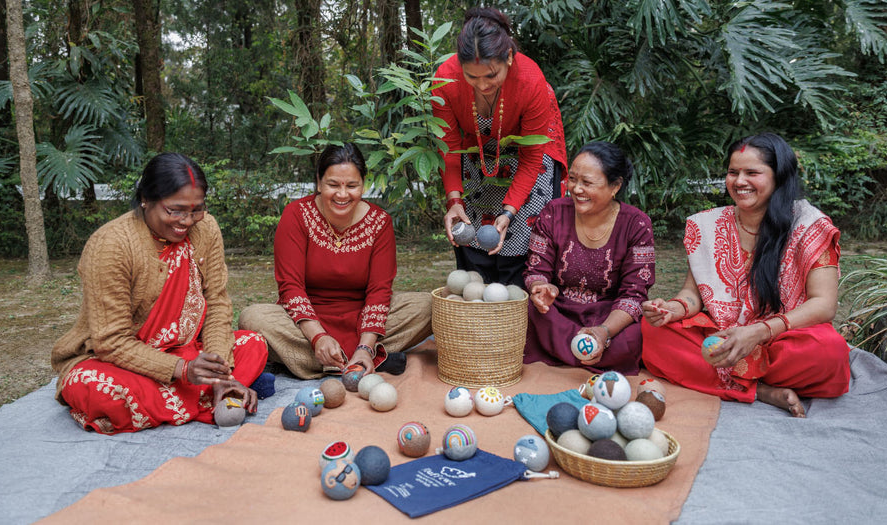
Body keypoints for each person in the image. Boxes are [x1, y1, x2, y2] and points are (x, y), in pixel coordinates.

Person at [51, 153, 270, 434]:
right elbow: (111, 342)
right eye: (175, 210)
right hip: (120, 361)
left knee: (253, 343)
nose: (187, 221)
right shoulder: (111, 245)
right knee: (99, 388)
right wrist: (182, 370)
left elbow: (216, 303)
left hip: (188, 350)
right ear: (146, 199)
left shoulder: (207, 228)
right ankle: (209, 396)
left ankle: (213, 390)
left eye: (196, 210)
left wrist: (218, 373)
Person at [641, 133, 851, 418]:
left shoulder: (810, 225)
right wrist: (671, 310)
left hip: (781, 337)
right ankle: (761, 390)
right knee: (651, 331)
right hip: (723, 337)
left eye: (752, 173)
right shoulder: (708, 225)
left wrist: (759, 331)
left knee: (829, 350)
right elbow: (693, 295)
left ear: (779, 177)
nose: (739, 181)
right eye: (733, 172)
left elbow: (824, 305)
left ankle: (730, 380)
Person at [239, 143, 433, 379]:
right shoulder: (296, 214)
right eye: (333, 185)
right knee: (252, 317)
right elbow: (290, 286)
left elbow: (379, 290)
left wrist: (365, 344)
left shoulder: (380, 222)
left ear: (363, 185)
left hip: (362, 317)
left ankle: (349, 357)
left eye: (352, 185)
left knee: (430, 306)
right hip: (305, 322)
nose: (342, 194)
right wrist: (318, 337)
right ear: (319, 183)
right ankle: (370, 359)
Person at [433, 7, 568, 287]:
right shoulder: (445, 80)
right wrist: (454, 201)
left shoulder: (531, 82)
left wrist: (508, 212)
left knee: (522, 241)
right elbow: (449, 148)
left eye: (491, 76)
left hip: (528, 155)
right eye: (472, 77)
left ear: (508, 57)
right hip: (475, 153)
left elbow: (532, 158)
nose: (482, 85)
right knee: (472, 237)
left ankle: (524, 315)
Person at [524, 142, 655, 374]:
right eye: (573, 179)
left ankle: (567, 353)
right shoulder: (553, 211)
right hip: (557, 311)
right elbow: (536, 268)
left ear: (615, 186)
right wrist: (540, 287)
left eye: (587, 182)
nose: (576, 189)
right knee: (527, 312)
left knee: (637, 334)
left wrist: (604, 332)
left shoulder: (637, 224)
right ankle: (587, 357)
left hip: (608, 315)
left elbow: (634, 293)